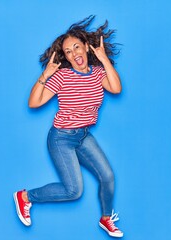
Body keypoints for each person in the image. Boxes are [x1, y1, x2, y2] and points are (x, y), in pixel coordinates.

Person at [13, 15, 123, 238]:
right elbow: (33, 103)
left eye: (76, 47)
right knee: (74, 191)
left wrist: (103, 59)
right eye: (68, 51)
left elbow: (116, 89)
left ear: (85, 47)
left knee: (108, 177)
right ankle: (25, 197)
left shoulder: (98, 73)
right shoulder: (62, 76)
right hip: (61, 138)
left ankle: (105, 218)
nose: (74, 53)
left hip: (83, 136)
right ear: (66, 57)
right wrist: (45, 74)